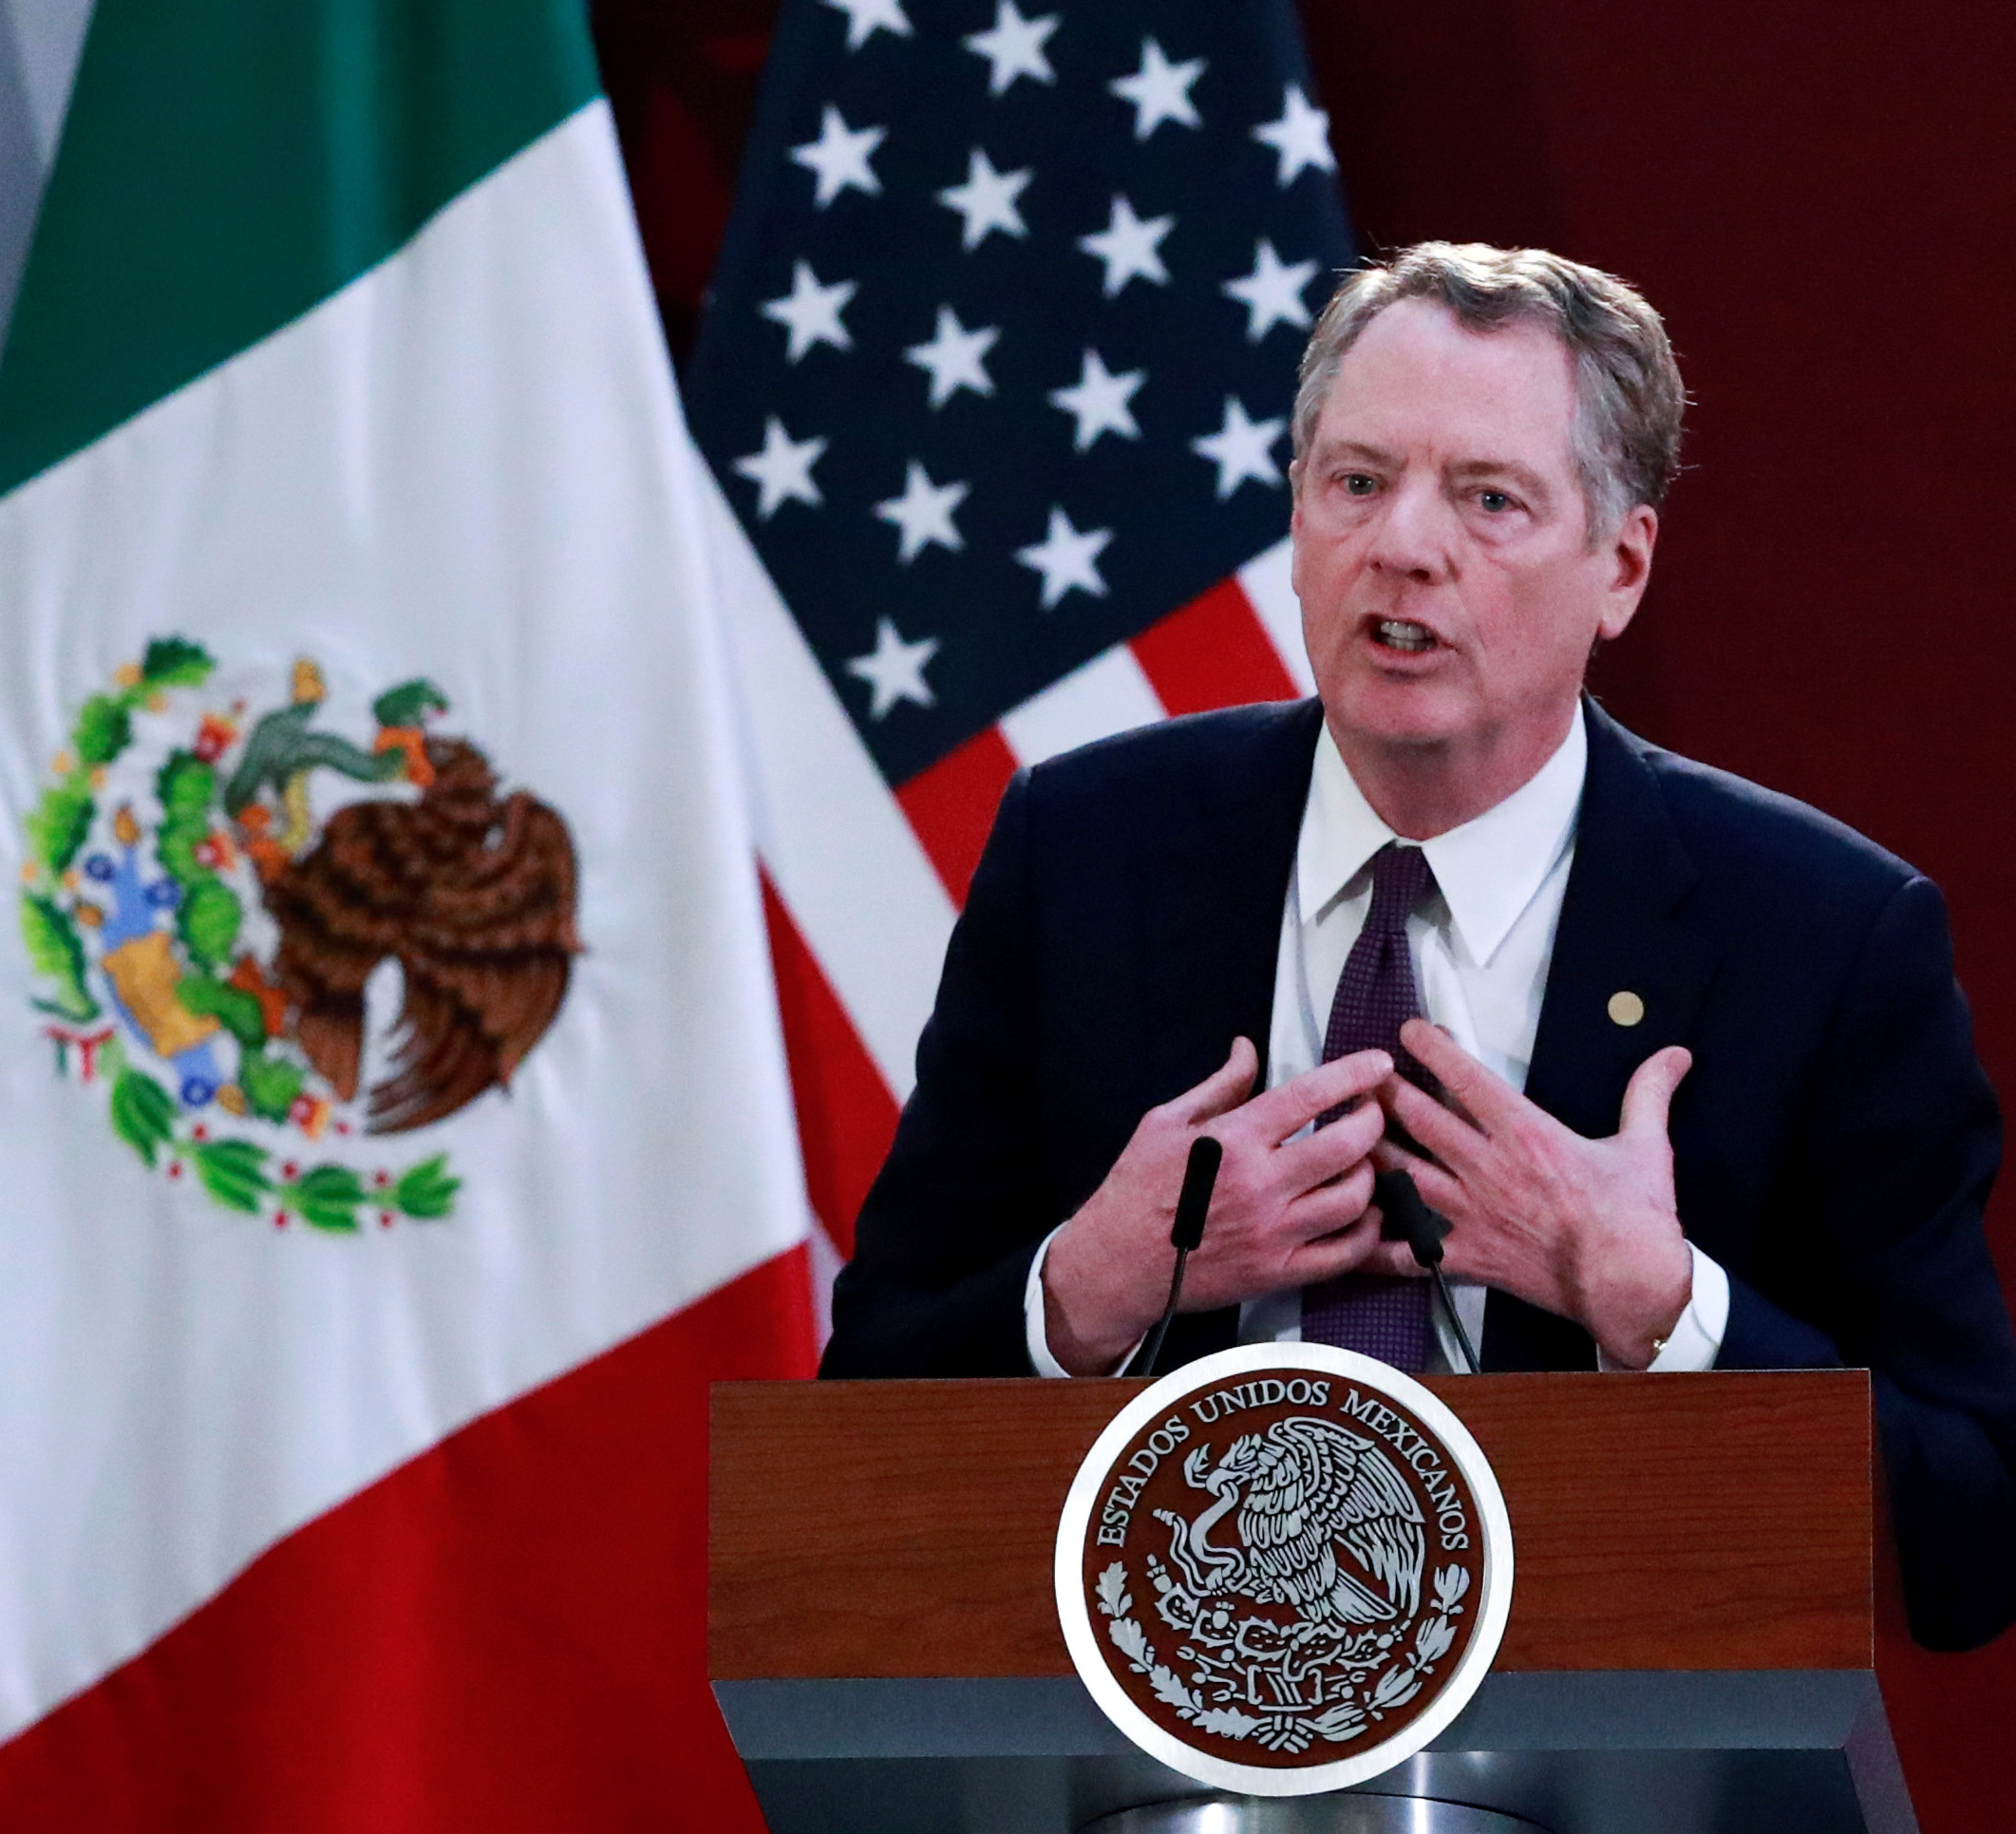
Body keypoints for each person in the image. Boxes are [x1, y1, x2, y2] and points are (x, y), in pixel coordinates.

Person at [819, 243, 2016, 1652]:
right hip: (1151, 1755)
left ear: (1618, 566)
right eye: (1356, 482)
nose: (1401, 545)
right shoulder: (1086, 852)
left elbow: (1971, 1534)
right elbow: (866, 1410)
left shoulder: (1820, 936)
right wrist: (1092, 1285)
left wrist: (1659, 1303)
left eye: (1488, 499)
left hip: (1611, 1767)